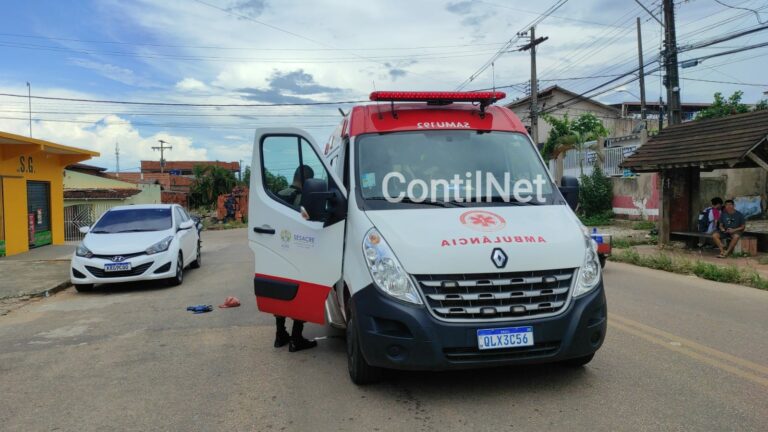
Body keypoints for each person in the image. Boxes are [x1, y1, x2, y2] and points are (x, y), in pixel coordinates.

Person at [273, 164, 318, 352]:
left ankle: (280, 334)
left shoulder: (277, 195)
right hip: (300, 252)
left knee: (281, 293)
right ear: (307, 181)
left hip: (278, 251)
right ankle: (296, 338)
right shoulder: (306, 199)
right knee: (301, 293)